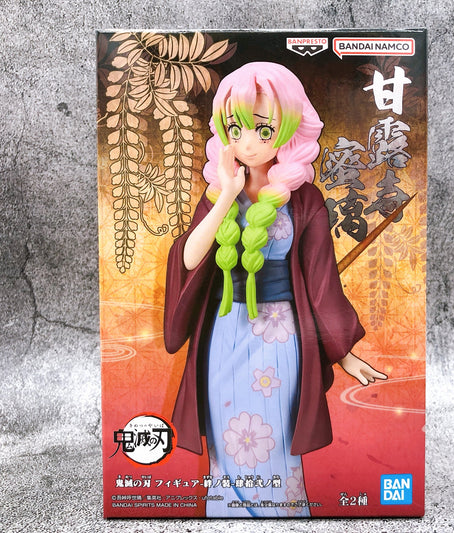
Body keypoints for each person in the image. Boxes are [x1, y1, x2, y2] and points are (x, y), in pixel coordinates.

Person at [164, 62, 387, 517]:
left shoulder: (304, 200)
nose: (247, 143)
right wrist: (227, 194)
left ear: (289, 128)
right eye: (235, 129)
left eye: (263, 129)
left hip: (279, 335)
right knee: (228, 444)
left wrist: (344, 353)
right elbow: (188, 260)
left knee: (274, 441)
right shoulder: (218, 194)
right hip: (223, 333)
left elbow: (322, 283)